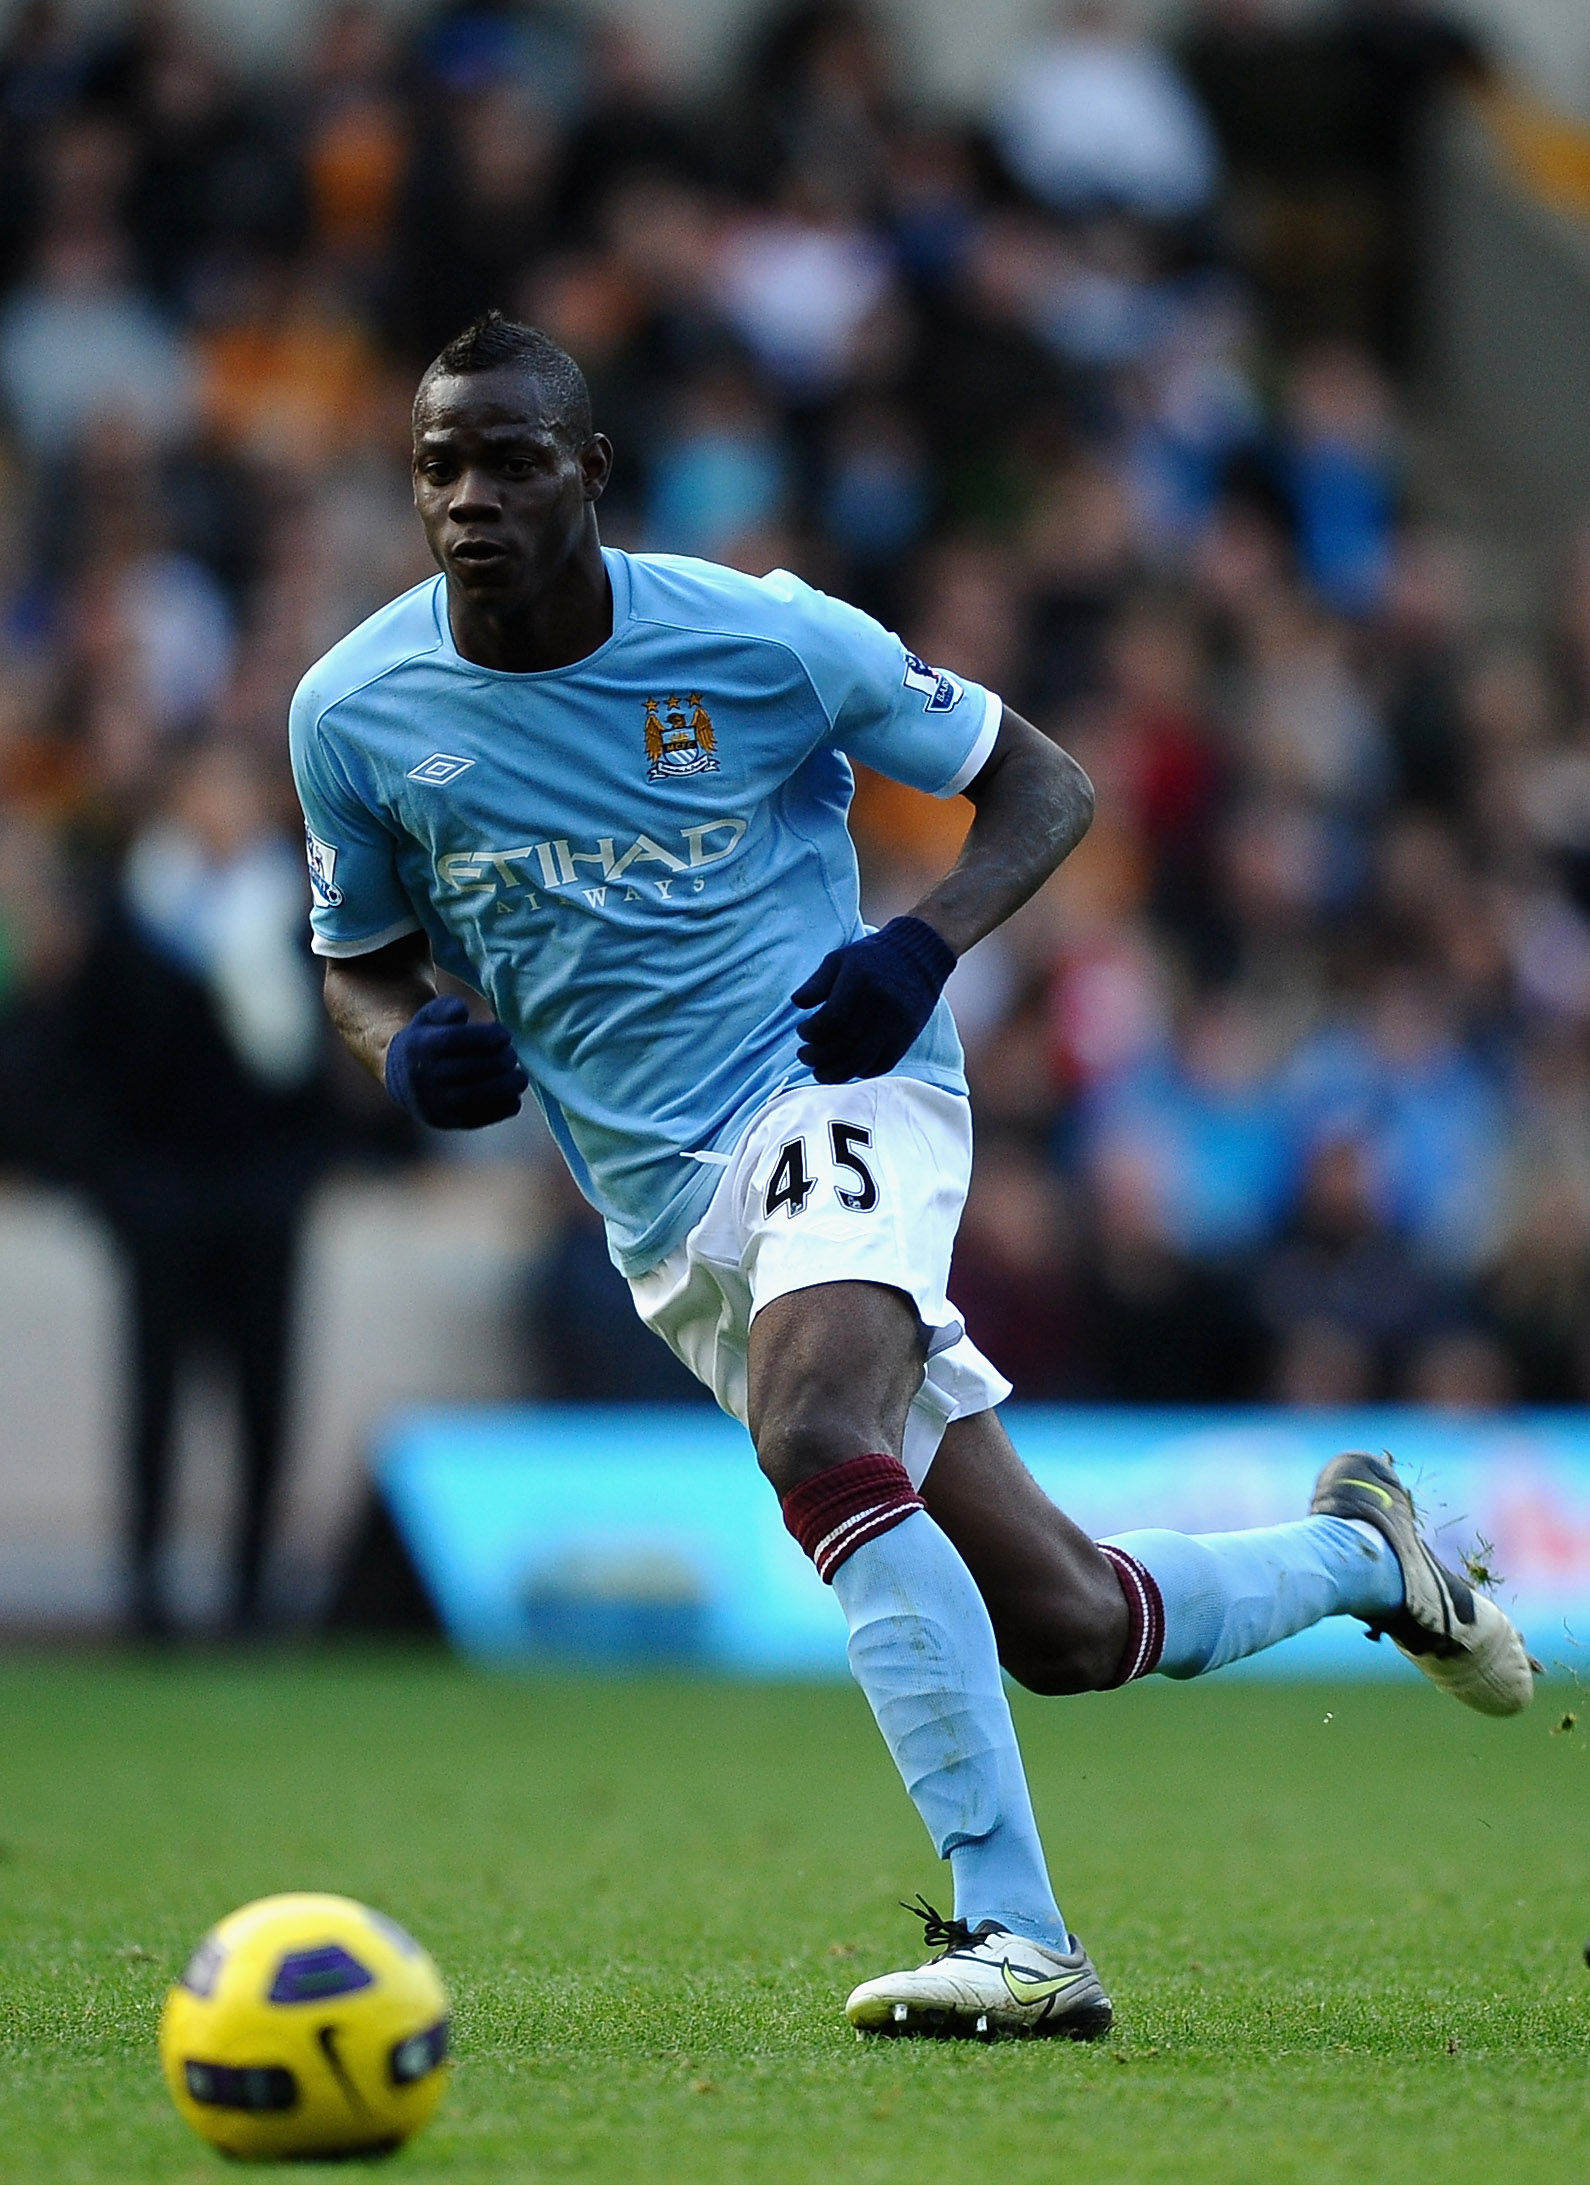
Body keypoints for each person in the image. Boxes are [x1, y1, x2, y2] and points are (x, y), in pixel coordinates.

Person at [290, 311, 1536, 2041]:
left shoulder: (760, 637)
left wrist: (922, 946)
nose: (470, 497)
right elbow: (355, 955)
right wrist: (399, 1044)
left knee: (819, 1433)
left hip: (838, 1091)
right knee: (1071, 1621)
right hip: (667, 1221)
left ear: (592, 472)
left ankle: (1017, 1935)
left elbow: (1044, 783)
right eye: (440, 464)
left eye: (510, 459)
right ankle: (1366, 1554)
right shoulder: (351, 711)